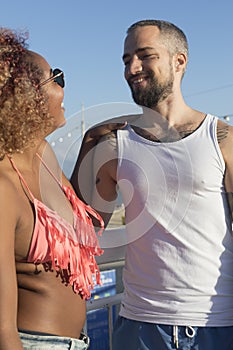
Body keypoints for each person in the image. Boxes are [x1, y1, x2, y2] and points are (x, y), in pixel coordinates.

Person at [71, 19, 233, 349]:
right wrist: (88, 139)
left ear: (179, 61)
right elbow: (82, 229)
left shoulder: (223, 140)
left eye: (145, 55)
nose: (133, 67)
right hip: (139, 327)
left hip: (214, 324)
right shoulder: (114, 146)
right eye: (126, 59)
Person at [0, 28, 104, 350]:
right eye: (55, 77)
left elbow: (76, 233)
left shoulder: (43, 153)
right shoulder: (3, 188)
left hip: (76, 342)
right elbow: (3, 331)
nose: (62, 86)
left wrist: (90, 145)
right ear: (25, 98)